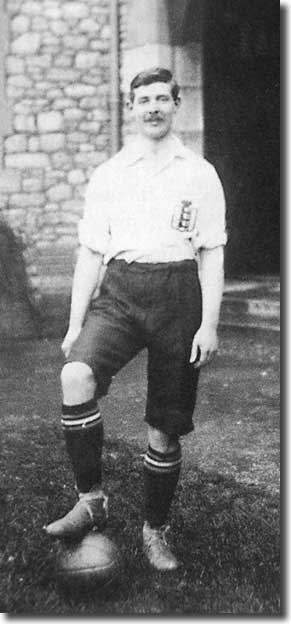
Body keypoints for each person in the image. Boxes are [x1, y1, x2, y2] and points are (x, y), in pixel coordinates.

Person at [44, 67, 227, 571]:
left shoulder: (199, 172)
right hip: (121, 289)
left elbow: (212, 251)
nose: (152, 107)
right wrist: (75, 323)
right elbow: (90, 252)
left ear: (176, 103)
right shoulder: (111, 172)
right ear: (130, 107)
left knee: (164, 428)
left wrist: (208, 322)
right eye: (142, 99)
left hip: (178, 294)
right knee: (75, 375)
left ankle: (155, 531)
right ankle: (90, 501)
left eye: (161, 99)